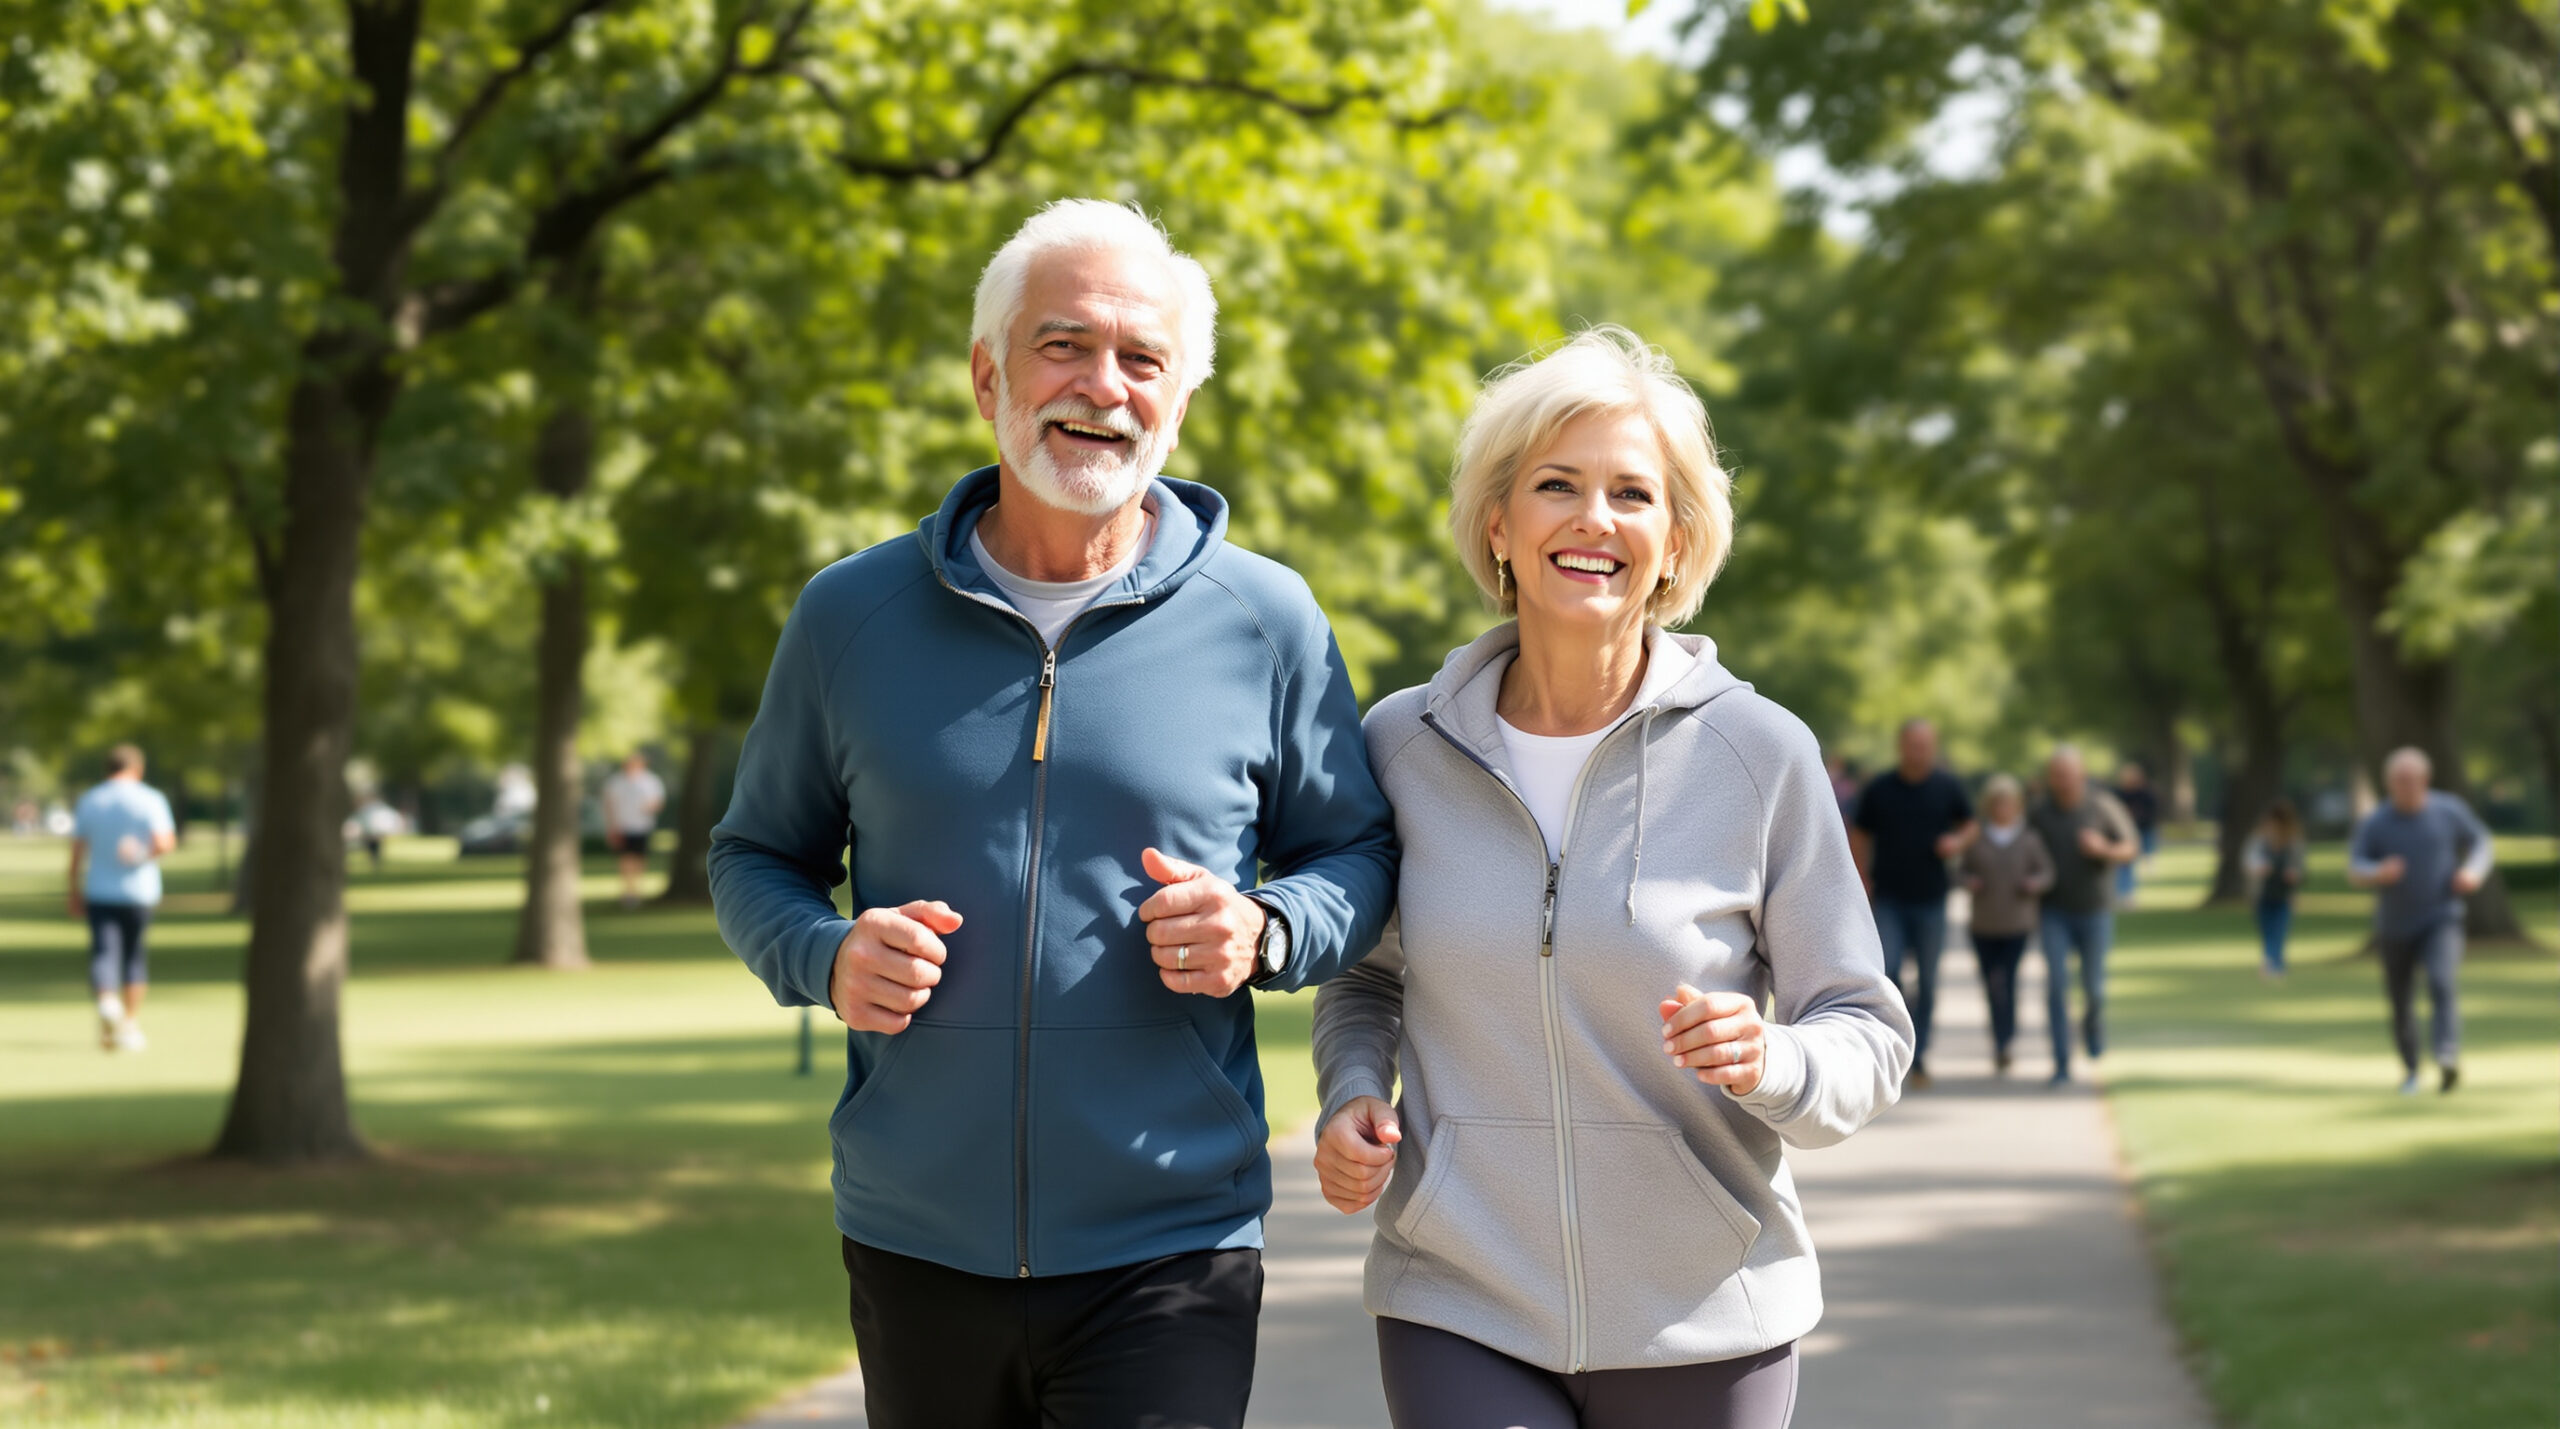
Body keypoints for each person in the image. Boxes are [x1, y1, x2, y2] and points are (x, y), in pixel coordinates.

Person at [707, 199, 1397, 1429]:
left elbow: (1355, 848)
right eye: (1063, 345)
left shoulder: (1266, 619)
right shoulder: (848, 617)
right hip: (916, 1233)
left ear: (1178, 399)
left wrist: (1269, 928)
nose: (1103, 385)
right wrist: (825, 953)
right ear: (988, 376)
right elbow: (755, 854)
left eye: (1142, 359)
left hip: (1172, 1237)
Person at [1310, 328, 1912, 1429]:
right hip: (1459, 1296)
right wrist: (1353, 1091)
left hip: (1705, 1311)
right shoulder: (1401, 745)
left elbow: (1863, 1027)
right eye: (1556, 485)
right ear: (1498, 523)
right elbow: (1368, 978)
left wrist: (1772, 1056)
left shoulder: (1759, 752)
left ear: (1675, 541)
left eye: (1631, 494)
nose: (1594, 519)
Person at [2346, 748, 2493, 1095]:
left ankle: (2446, 1055)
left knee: (2442, 982)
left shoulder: (2448, 811)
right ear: (2388, 784)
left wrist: (2472, 871)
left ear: (2425, 780)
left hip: (2442, 916)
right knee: (2400, 999)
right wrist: (2377, 871)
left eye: (2412, 779)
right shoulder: (2376, 822)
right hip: (2394, 925)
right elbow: (2355, 868)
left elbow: (2481, 843)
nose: (2406, 786)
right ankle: (2411, 1069)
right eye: (2399, 780)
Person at [1850, 719, 1976, 1088]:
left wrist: (1956, 843)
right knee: (1887, 973)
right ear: (1901, 746)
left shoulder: (1947, 786)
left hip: (1932, 900)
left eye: (1925, 746)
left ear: (1933, 748)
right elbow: (1859, 833)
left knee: (1930, 980)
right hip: (1888, 898)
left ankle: (1919, 1058)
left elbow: (1971, 825)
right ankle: (1893, 1048)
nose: (1918, 752)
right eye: (1912, 745)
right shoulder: (1880, 788)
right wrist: (1860, 877)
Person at [2025, 746, 2139, 1084]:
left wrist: (2103, 848)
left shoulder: (2102, 807)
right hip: (2053, 911)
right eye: (2055, 774)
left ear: (2081, 774)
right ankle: (2061, 1063)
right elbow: (2024, 851)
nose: (2060, 781)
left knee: (2094, 989)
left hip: (2095, 910)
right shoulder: (2039, 813)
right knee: (2056, 986)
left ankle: (2093, 1031)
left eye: (2066, 774)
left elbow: (2130, 848)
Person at [67, 744, 177, 1052]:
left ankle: (107, 1001)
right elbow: (165, 843)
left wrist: (73, 891)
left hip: (99, 890)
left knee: (104, 952)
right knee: (134, 957)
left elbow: (78, 852)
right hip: (140, 892)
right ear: (137, 769)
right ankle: (129, 1022)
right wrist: (142, 853)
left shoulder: (91, 799)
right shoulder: (151, 799)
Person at [1958, 774, 2054, 1077]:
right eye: (1998, 804)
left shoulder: (2029, 838)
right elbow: (1959, 872)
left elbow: (2047, 872)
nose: (2003, 809)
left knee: (2008, 982)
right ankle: (1997, 1038)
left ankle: (2006, 1041)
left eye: (2008, 803)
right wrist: (1968, 882)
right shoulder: (1977, 838)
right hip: (1983, 924)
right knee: (1991, 983)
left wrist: (2034, 883)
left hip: (2017, 924)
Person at [2242, 797, 2306, 980]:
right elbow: (2250, 861)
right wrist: (2259, 869)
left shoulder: (2293, 843)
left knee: (2280, 929)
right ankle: (2272, 962)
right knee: (2267, 929)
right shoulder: (2259, 841)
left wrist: (2294, 874)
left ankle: (2274, 964)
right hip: (2262, 892)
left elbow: (2300, 867)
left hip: (2284, 894)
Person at [599, 752, 666, 910]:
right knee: (625, 859)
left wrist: (649, 807)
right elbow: (608, 804)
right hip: (622, 826)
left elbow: (658, 802)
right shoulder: (616, 782)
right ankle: (628, 893)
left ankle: (635, 891)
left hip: (642, 826)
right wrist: (611, 827)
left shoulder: (650, 781)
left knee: (639, 859)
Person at [2112, 761, 2161, 905]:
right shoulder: (2119, 794)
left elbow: (2151, 813)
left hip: (2143, 829)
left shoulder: (2146, 794)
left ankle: (2128, 893)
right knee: (2124, 864)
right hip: (2125, 834)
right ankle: (2124, 893)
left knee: (2135, 859)